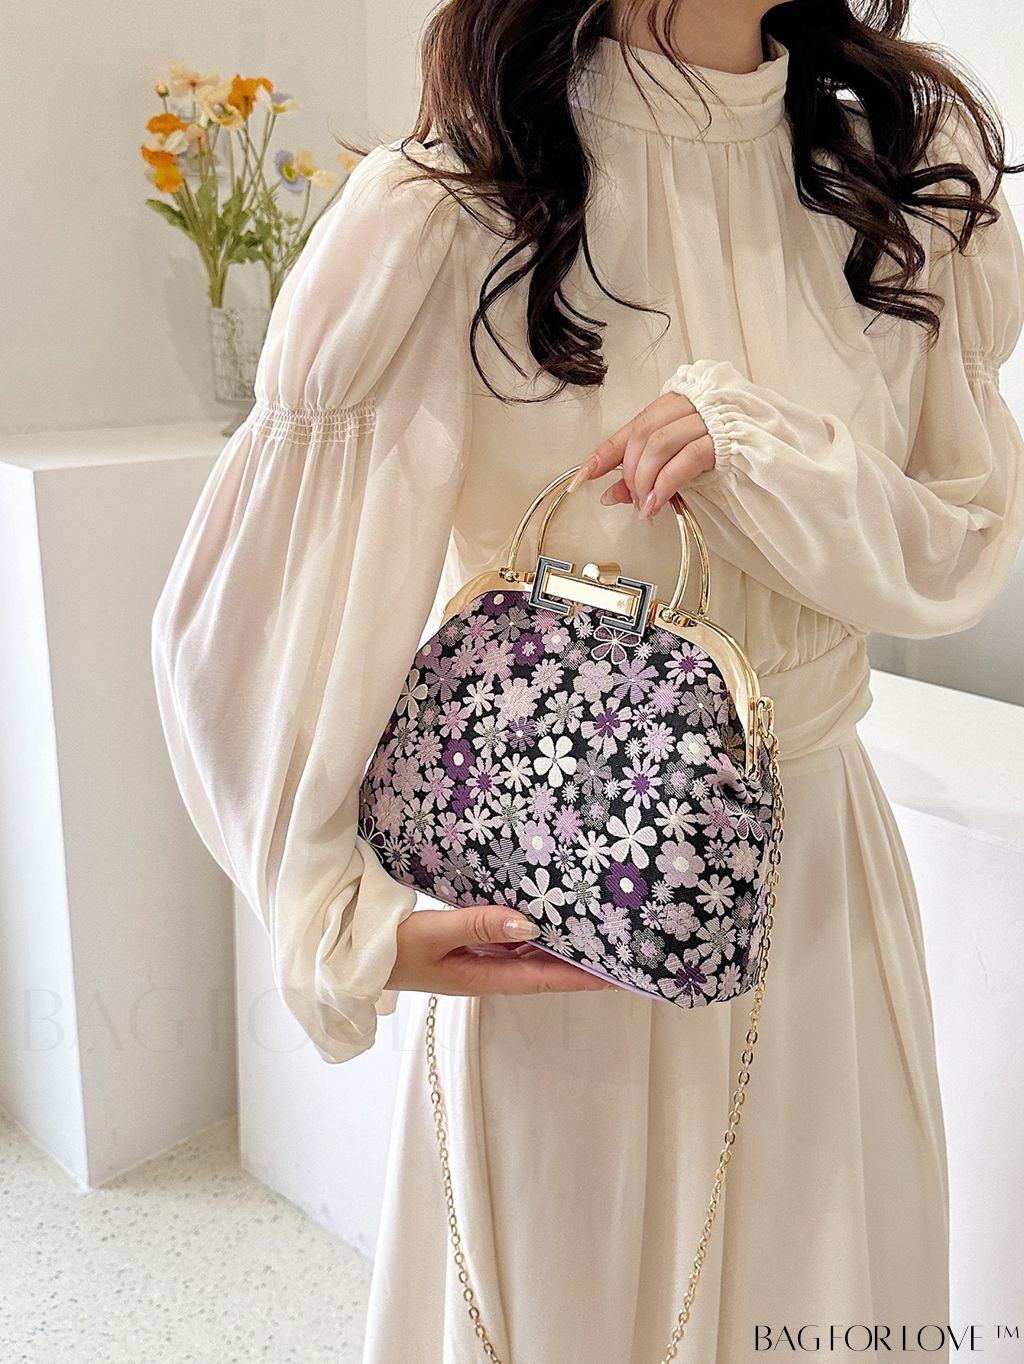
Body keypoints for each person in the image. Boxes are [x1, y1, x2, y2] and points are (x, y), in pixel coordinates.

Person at [150, 0, 1024, 1359]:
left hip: (817, 888)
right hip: (568, 912)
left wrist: (770, 458)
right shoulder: (457, 206)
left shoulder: (895, 187)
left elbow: (958, 550)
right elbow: (246, 616)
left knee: (814, 1278)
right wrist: (334, 914)